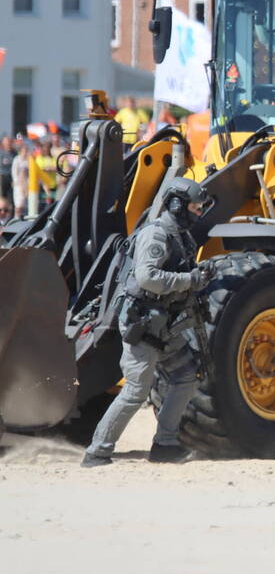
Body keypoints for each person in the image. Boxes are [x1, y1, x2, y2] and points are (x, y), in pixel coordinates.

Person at [81, 178, 213, 467]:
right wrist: (188, 280)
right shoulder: (157, 236)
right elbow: (148, 278)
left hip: (165, 326)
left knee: (187, 375)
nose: (198, 212)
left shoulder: (181, 235)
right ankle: (97, 451)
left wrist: (198, 277)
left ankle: (165, 444)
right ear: (177, 205)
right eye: (194, 206)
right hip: (143, 326)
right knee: (135, 391)